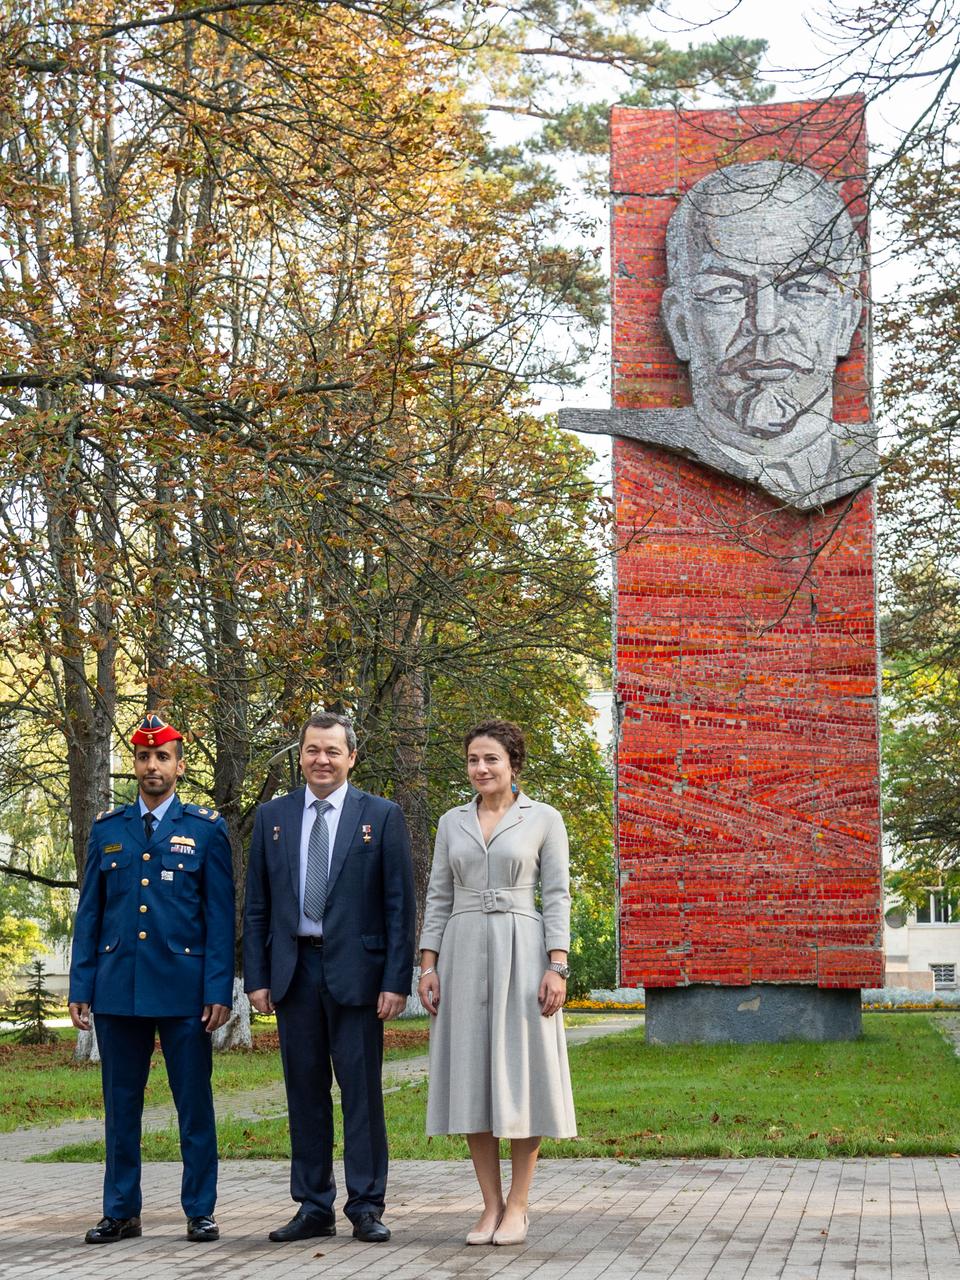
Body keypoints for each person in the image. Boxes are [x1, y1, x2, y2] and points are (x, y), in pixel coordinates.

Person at [243, 711, 415, 1244]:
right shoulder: (272, 817)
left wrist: (396, 980)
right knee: (304, 1094)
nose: (322, 759)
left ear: (351, 758)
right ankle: (313, 1206)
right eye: (313, 750)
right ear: (300, 756)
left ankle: (365, 1205)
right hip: (293, 973)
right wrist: (256, 977)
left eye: (332, 751)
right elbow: (256, 906)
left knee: (362, 1094)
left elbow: (399, 906)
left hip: (359, 976)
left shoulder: (381, 816)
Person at [68, 712, 235, 1245]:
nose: (152, 766)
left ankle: (200, 1210)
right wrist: (81, 986)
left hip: (185, 991)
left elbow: (219, 918)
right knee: (121, 1107)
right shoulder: (108, 829)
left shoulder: (205, 830)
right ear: (135, 764)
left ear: (179, 766)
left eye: (162, 756)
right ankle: (121, 1211)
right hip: (118, 988)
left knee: (194, 1106)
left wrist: (218, 989)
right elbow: (90, 914)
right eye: (143, 757)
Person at [417, 719, 576, 1247]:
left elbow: (557, 894)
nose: (481, 769)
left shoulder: (545, 819)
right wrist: (428, 965)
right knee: (471, 1076)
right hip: (461, 951)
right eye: (473, 760)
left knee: (522, 1074)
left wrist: (557, 965)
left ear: (513, 764)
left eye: (491, 759)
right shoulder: (451, 822)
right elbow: (438, 895)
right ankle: (490, 1205)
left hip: (523, 949)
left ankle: (519, 1206)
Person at [660, 159, 863, 502]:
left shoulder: (867, 457)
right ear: (680, 325)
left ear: (846, 321)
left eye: (802, 288)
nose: (765, 323)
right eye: (725, 291)